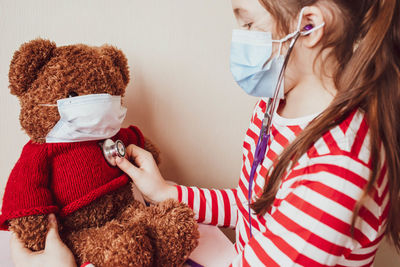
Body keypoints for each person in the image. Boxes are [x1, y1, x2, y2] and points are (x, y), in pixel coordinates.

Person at [10, 0, 400, 266]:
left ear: (310, 26)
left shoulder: (341, 164)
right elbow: (255, 208)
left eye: (249, 23)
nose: (240, 36)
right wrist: (166, 193)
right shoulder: (274, 105)